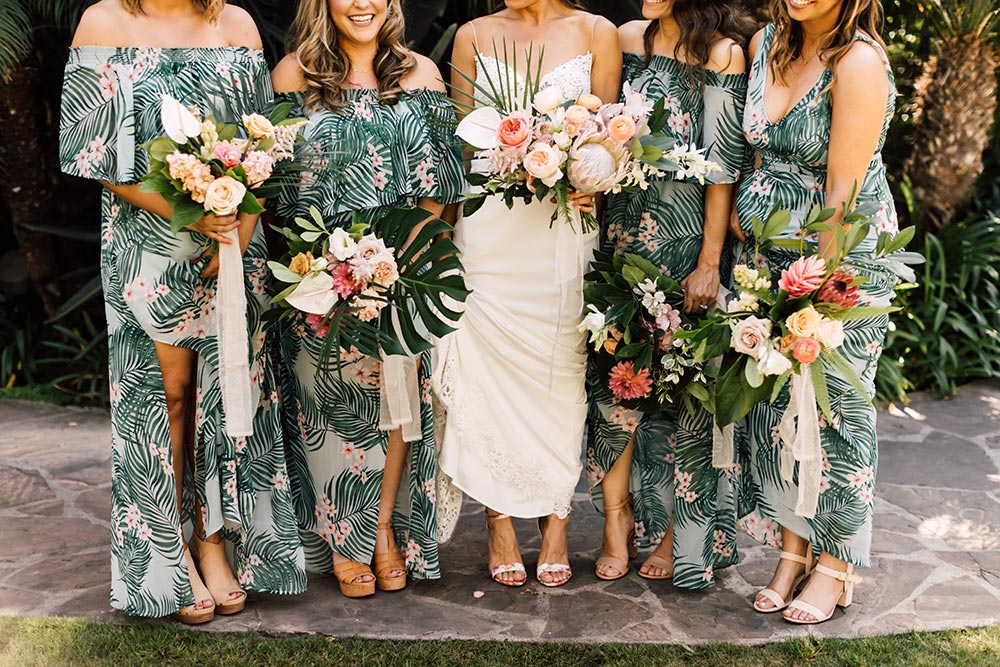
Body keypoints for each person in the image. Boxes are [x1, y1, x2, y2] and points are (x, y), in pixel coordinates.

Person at [60, 0, 305, 624]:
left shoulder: (238, 25)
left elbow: (265, 144)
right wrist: (193, 210)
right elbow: (93, 155)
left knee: (225, 399)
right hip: (150, 243)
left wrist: (243, 227)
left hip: (231, 246)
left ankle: (214, 540)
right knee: (169, 398)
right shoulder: (104, 23)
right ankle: (170, 556)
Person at [272, 0, 464, 598]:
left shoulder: (421, 76)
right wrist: (324, 270)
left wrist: (399, 266)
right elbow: (274, 183)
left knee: (396, 408)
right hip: (315, 281)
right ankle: (341, 545)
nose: (362, 3)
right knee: (326, 409)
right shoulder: (291, 76)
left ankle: (382, 533)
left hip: (400, 273)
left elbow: (439, 186)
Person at [433, 0, 622, 588]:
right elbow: (465, 151)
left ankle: (558, 519)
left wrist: (592, 174)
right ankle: (499, 519)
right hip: (491, 232)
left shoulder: (597, 32)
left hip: (563, 233)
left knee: (560, 374)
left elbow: (611, 141)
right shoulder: (472, 35)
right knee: (488, 371)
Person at [732, 0, 897, 625]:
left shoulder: (857, 62)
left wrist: (816, 294)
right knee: (782, 415)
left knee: (837, 416)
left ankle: (835, 566)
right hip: (765, 260)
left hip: (838, 265)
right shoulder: (767, 42)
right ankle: (792, 553)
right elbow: (755, 158)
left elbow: (842, 194)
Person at [589, 0, 754, 590]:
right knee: (614, 386)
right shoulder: (628, 39)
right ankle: (616, 521)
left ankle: (673, 535)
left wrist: (710, 262)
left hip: (687, 246)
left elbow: (722, 167)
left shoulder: (721, 52)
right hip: (622, 238)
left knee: (683, 395)